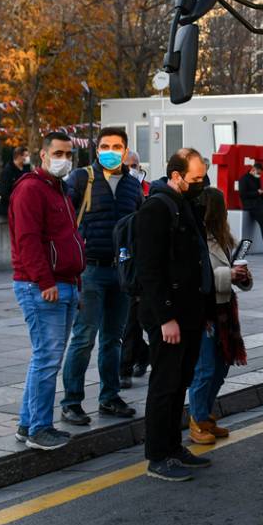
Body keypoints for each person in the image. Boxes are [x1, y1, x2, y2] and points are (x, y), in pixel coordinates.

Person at [137, 149, 214, 482]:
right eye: (195, 178)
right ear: (176, 175)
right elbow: (149, 270)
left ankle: (173, 447)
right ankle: (157, 454)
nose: (201, 184)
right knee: (165, 384)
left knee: (181, 380)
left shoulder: (186, 204)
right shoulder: (156, 208)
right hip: (168, 316)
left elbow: (197, 259)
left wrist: (205, 310)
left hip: (191, 311)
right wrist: (166, 316)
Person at [59, 128, 143, 425]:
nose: (110, 150)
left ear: (125, 150)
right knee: (84, 338)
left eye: (116, 146)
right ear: (96, 150)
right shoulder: (82, 179)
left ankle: (109, 397)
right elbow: (63, 218)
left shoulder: (134, 186)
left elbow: (138, 228)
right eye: (105, 146)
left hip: (120, 271)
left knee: (113, 339)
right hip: (90, 271)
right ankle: (71, 401)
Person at [8, 133, 83, 451]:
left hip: (65, 283)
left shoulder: (59, 189)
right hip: (43, 286)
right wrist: (45, 282)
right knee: (47, 360)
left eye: (68, 154)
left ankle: (28, 424)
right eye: (58, 153)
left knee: (46, 358)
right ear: (42, 154)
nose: (63, 159)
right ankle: (39, 428)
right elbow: (27, 241)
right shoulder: (31, 189)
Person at [187, 187, 251, 445]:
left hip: (225, 308)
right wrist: (229, 276)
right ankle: (197, 419)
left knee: (222, 366)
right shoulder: (195, 238)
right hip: (204, 311)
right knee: (205, 368)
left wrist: (243, 277)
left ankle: (206, 414)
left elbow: (233, 274)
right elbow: (194, 277)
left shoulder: (223, 237)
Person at [119, 151, 151, 388]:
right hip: (118, 259)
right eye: (128, 165)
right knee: (123, 323)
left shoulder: (147, 189)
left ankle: (125, 368)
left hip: (137, 263)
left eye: (135, 165)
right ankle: (142, 354)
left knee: (131, 321)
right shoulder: (116, 189)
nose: (132, 169)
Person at [238, 161, 263, 256]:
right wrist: (258, 192)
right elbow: (243, 194)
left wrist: (261, 192)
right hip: (252, 206)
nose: (259, 175)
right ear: (253, 169)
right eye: (259, 172)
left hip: (259, 205)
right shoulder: (244, 179)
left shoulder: (256, 179)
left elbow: (257, 191)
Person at [0, 146, 32, 217]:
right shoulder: (7, 171)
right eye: (26, 156)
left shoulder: (27, 169)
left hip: (23, 207)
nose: (28, 158)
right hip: (9, 208)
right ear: (19, 156)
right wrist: (18, 201)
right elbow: (4, 192)